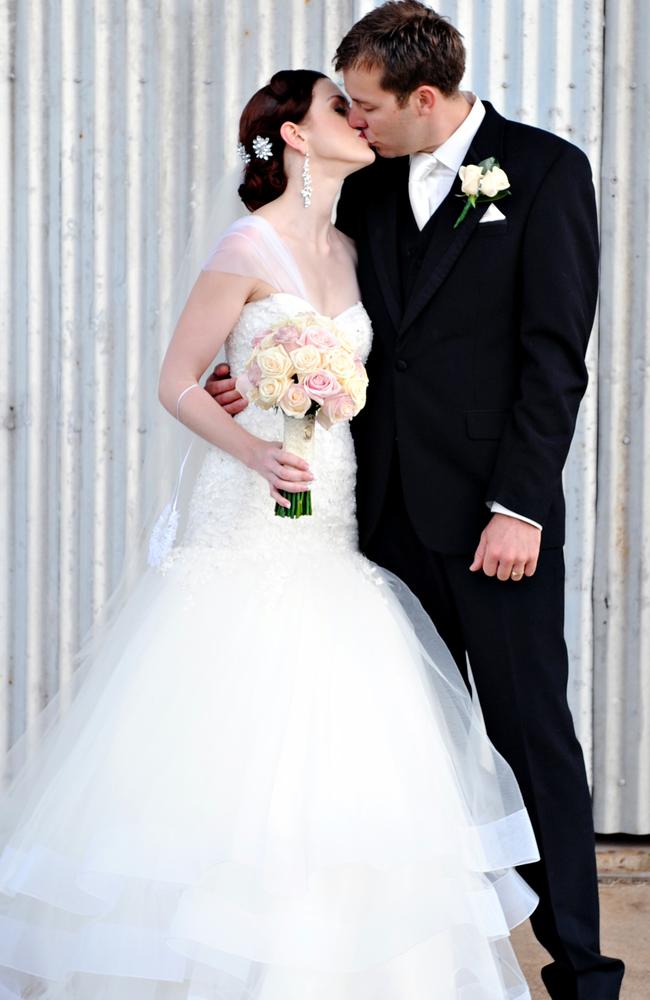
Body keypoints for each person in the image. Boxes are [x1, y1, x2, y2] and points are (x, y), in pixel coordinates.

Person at [0, 69, 540, 999]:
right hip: (248, 510)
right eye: (339, 106)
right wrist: (250, 448)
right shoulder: (245, 244)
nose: (357, 117)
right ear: (293, 135)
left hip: (330, 519)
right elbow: (176, 378)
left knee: (345, 762)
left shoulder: (354, 245)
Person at [208, 5, 625, 1000]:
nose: (355, 120)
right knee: (399, 754)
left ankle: (581, 970)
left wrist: (519, 505)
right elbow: (326, 322)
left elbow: (550, 356)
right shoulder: (367, 184)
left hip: (494, 522)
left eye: (366, 105)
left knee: (529, 739)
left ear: (423, 99)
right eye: (343, 106)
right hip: (379, 520)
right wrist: (255, 379)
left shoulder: (543, 171)